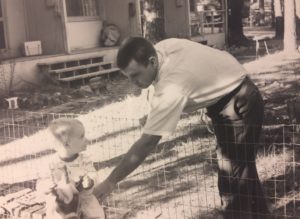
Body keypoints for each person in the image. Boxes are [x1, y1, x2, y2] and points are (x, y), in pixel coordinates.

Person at [94, 37, 270, 219]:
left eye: (135, 75)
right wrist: (154, 114)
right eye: (129, 77)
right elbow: (163, 86)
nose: (133, 83)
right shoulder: (162, 48)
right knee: (241, 170)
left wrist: (110, 181)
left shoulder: (172, 84)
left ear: (152, 62)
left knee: (232, 181)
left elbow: (147, 143)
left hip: (239, 102)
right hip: (228, 95)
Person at [36, 118, 106, 219]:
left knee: (94, 215)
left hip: (85, 203)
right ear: (67, 144)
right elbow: (40, 185)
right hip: (61, 208)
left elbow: (93, 175)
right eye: (82, 136)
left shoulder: (84, 160)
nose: (87, 140)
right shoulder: (50, 164)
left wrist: (90, 181)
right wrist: (46, 186)